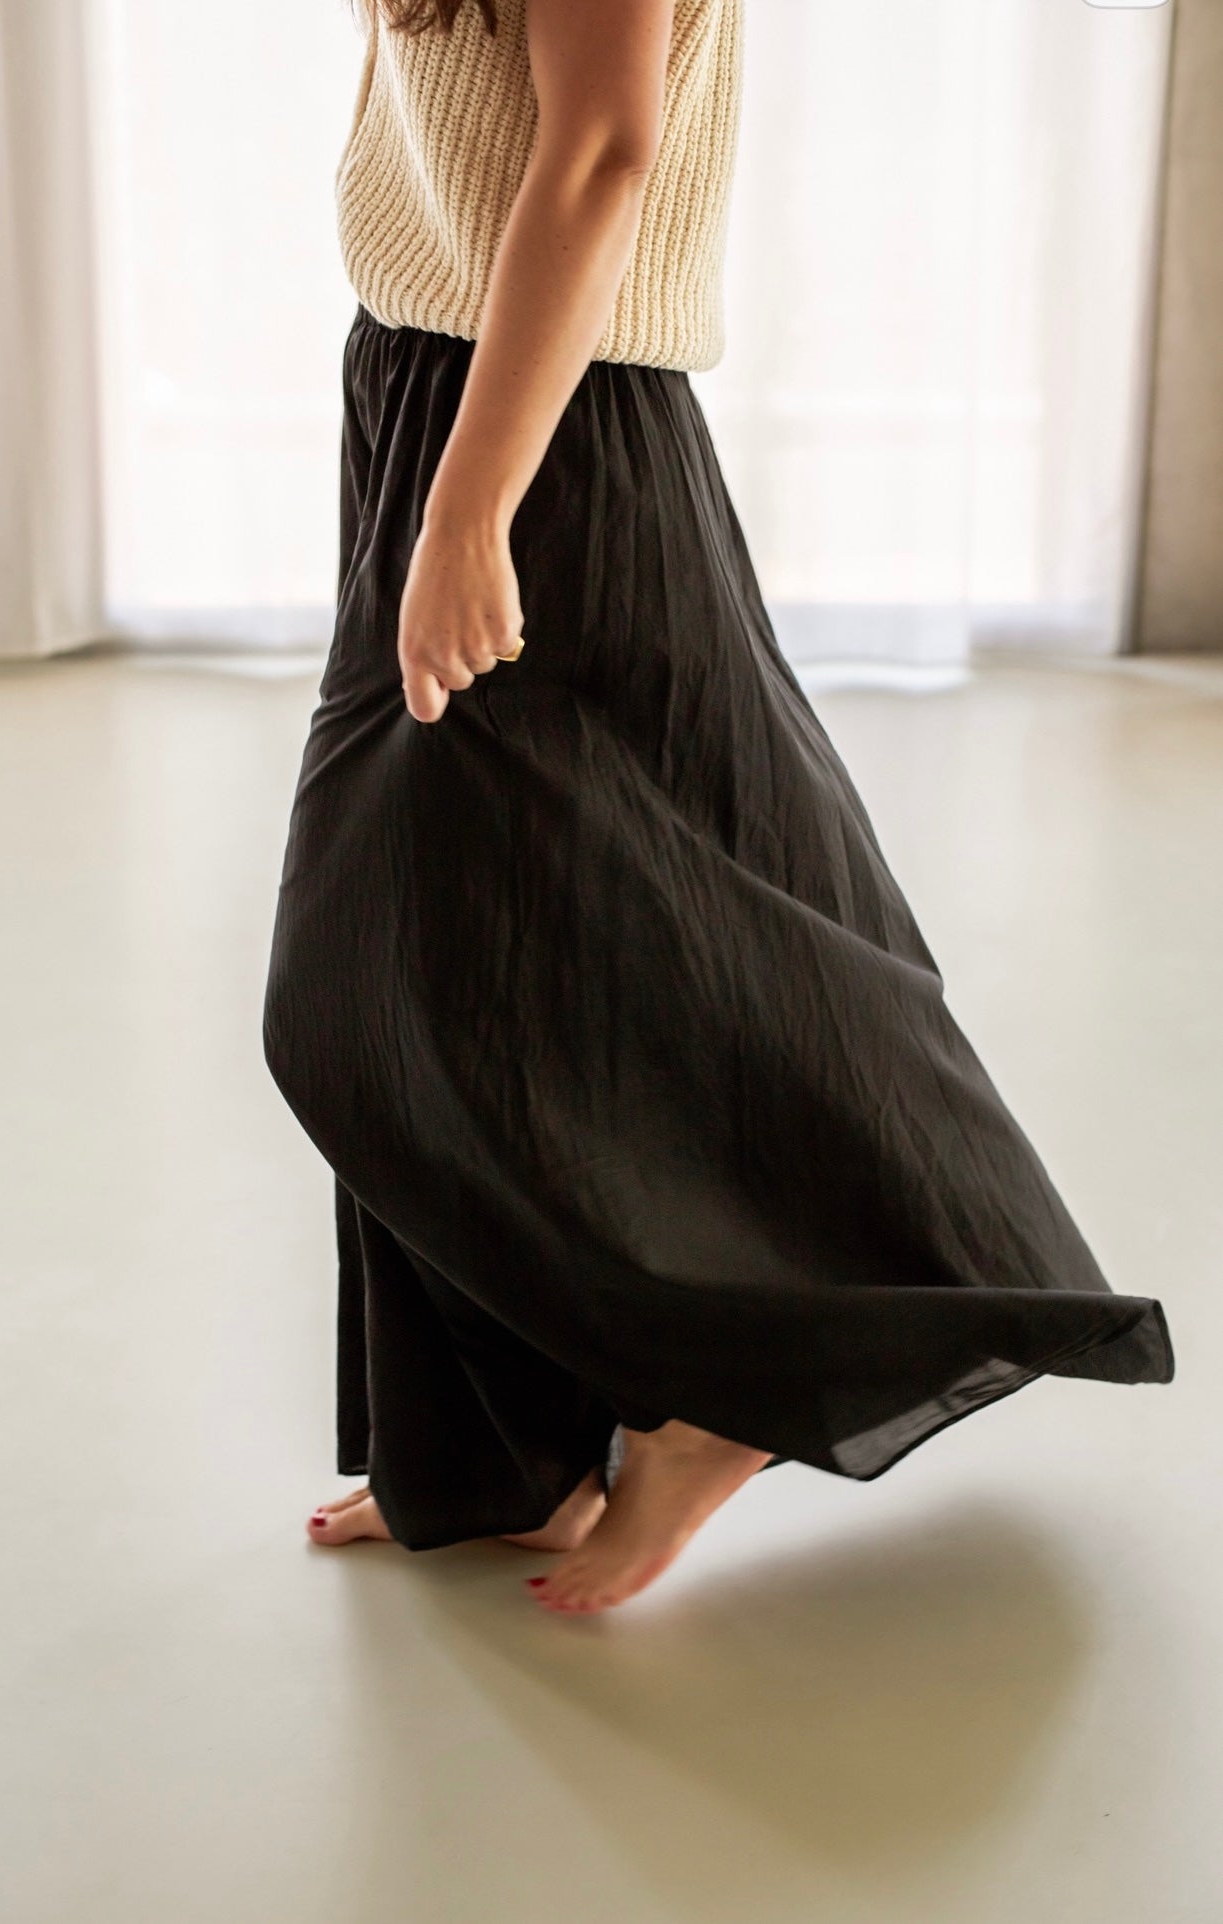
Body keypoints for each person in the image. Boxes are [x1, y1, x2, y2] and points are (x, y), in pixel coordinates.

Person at [263, 0, 1174, 1617]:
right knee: (469, 938)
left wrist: (472, 508)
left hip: (545, 426)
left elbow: (603, 152)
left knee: (397, 970)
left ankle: (741, 1383)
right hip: (423, 382)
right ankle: (495, 1460)